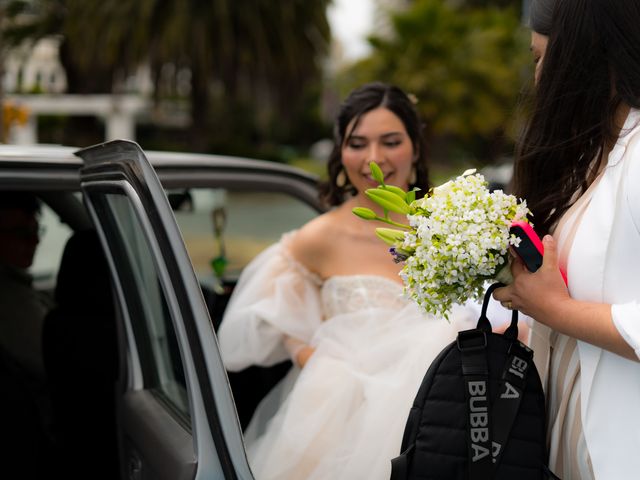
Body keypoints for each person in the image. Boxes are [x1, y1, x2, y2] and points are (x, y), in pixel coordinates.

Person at [217, 82, 477, 479]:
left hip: (446, 425)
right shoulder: (317, 239)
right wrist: (328, 367)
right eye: (357, 144)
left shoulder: (452, 228)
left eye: (391, 142)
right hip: (341, 432)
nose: (374, 159)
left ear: (416, 147)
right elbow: (274, 318)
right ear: (341, 152)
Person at [493, 0, 640, 478]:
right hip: (570, 441)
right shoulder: (600, 157)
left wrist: (553, 309)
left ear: (581, 52)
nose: (537, 78)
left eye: (540, 58)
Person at [0, 191, 52, 381]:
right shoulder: (10, 301)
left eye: (36, 230)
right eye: (22, 233)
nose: (35, 241)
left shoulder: (15, 287)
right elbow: (55, 362)